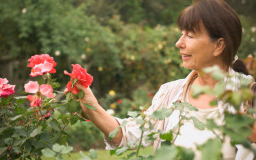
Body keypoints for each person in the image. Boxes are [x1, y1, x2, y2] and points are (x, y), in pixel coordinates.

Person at [70, 0, 256, 159]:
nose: (179, 43)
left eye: (190, 35)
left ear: (219, 45)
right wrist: (91, 106)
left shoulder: (248, 98)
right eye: (181, 33)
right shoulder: (170, 93)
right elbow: (127, 135)